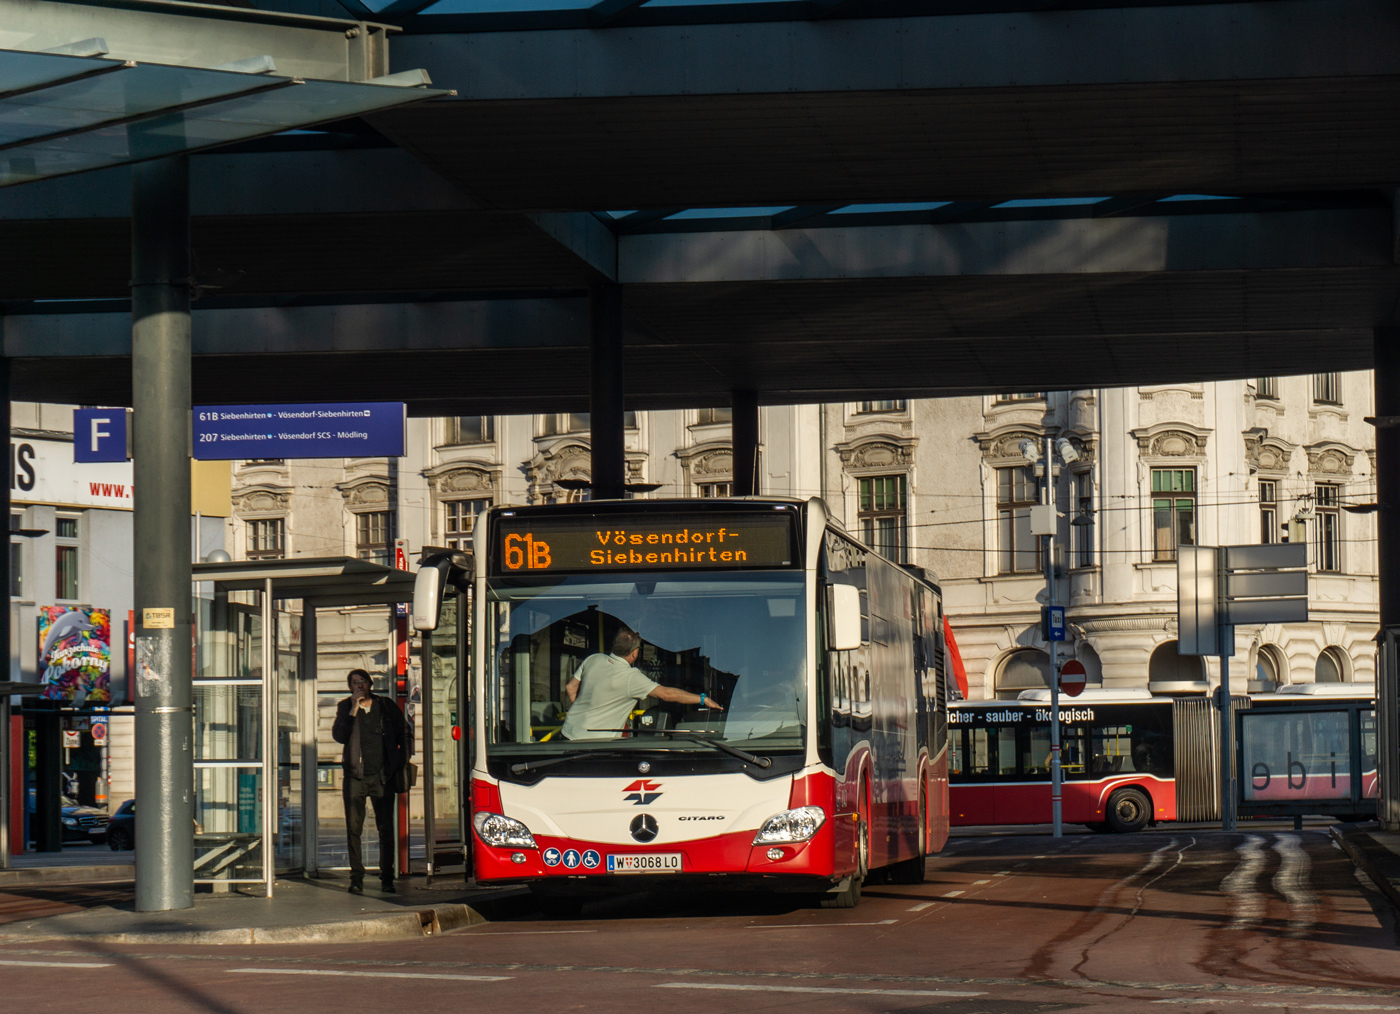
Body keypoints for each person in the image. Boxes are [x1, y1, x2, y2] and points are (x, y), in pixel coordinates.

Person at [560, 627, 723, 741]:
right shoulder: (631, 677)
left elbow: (570, 688)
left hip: (568, 732)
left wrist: (585, 714)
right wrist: (703, 699)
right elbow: (667, 694)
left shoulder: (593, 659)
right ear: (635, 653)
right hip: (595, 743)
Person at [331, 669, 409, 894]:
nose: (359, 685)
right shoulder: (345, 707)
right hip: (356, 776)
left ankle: (387, 878)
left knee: (386, 829)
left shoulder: (385, 705)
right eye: (354, 682)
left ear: (370, 684)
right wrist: (353, 710)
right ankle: (356, 878)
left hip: (382, 777)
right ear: (350, 687)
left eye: (362, 681)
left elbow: (404, 731)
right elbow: (339, 737)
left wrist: (399, 761)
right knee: (354, 829)